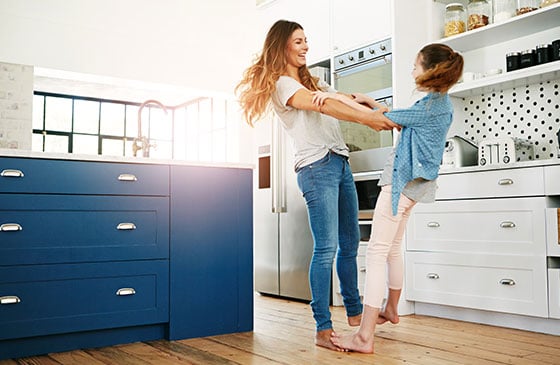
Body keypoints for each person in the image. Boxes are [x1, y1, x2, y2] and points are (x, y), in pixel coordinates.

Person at [235, 19, 399, 351]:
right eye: (298, 41)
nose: (306, 46)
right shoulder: (283, 85)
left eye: (306, 40)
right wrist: (368, 118)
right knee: (326, 248)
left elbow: (340, 97)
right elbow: (325, 104)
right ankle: (323, 329)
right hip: (315, 167)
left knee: (350, 244)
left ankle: (355, 316)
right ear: (282, 46)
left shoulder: (313, 80)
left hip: (339, 161)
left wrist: (369, 103)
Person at [316, 43, 464, 353]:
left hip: (401, 184)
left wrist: (329, 98)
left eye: (415, 65)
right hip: (416, 187)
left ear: (430, 71)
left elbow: (387, 120)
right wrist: (369, 101)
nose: (412, 70)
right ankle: (392, 309)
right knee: (393, 248)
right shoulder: (437, 104)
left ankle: (364, 336)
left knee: (376, 252)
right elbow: (395, 115)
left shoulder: (429, 107)